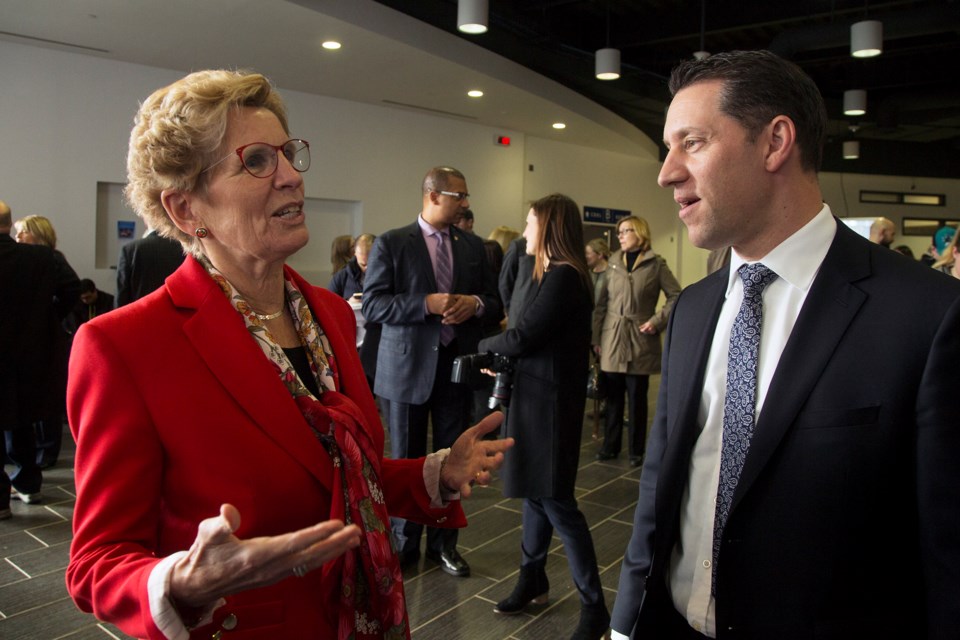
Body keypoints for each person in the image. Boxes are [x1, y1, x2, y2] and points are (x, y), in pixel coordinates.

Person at [65, 70, 513, 640]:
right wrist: (176, 582)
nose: (291, 177)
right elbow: (96, 563)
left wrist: (433, 474)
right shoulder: (123, 346)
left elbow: (341, 478)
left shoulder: (328, 312)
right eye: (255, 161)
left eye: (289, 154)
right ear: (184, 209)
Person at [611, 50, 960, 640]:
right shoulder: (694, 308)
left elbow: (948, 551)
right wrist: (625, 624)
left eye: (691, 142)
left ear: (775, 142)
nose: (667, 171)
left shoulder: (927, 315)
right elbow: (661, 484)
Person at [478, 194, 610, 640]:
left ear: (549, 227)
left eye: (531, 223)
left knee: (556, 501)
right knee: (535, 495)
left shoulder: (566, 276)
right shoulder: (550, 274)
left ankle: (595, 607)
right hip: (536, 399)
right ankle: (532, 579)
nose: (525, 231)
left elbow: (522, 336)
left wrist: (482, 347)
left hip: (550, 406)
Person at [362, 166, 502, 578]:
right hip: (405, 369)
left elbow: (495, 303)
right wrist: (427, 303)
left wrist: (473, 304)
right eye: (459, 195)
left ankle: (444, 545)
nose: (466, 202)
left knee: (453, 460)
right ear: (433, 195)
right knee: (406, 458)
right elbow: (374, 306)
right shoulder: (392, 242)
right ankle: (404, 544)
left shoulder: (474, 246)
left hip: (455, 367)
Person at [593, 216, 681, 467]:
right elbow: (600, 305)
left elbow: (675, 295)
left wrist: (656, 321)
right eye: (619, 231)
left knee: (637, 399)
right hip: (612, 337)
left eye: (625, 231)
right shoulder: (612, 264)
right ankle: (610, 446)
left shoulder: (656, 264)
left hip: (639, 338)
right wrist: (597, 338)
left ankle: (636, 450)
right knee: (612, 398)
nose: (620, 235)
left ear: (639, 232)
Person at [0, 202, 67, 517]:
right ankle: (29, 483)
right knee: (24, 420)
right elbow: (71, 290)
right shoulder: (40, 257)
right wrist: (48, 321)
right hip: (30, 352)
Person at [12, 214, 79, 471]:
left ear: (37, 234)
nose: (17, 238)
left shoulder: (52, 259)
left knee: (46, 396)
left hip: (46, 340)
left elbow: (71, 288)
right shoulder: (24, 260)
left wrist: (50, 315)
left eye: (22, 233)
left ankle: (48, 449)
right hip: (33, 338)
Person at [116, 227, 186, 306]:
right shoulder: (186, 250)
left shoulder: (130, 249)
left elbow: (121, 296)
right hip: (177, 314)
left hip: (139, 314)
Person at [585, 237, 610, 303]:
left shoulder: (612, 274)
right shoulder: (588, 274)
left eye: (588, 253)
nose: (585, 256)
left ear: (600, 255)